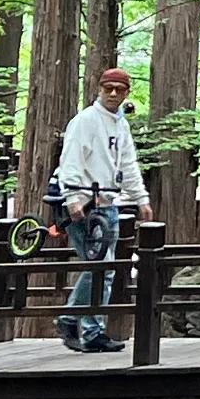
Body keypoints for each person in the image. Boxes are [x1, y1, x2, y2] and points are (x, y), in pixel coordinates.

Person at [53, 64, 149, 352]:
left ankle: (89, 329)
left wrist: (140, 198)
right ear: (100, 89)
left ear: (127, 93)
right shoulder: (85, 121)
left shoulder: (120, 124)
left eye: (120, 89)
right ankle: (74, 321)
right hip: (84, 204)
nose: (113, 93)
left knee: (105, 269)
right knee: (99, 267)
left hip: (108, 203)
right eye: (109, 88)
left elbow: (127, 164)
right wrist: (72, 198)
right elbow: (70, 158)